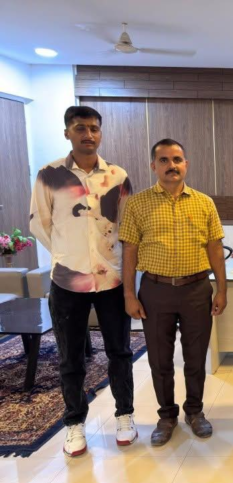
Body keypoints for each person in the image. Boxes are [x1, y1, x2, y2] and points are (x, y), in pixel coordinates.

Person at [29, 105, 136, 457]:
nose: (88, 134)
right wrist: (66, 255)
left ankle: (124, 415)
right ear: (67, 133)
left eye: (93, 128)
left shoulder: (117, 176)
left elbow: (127, 226)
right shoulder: (49, 175)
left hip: (112, 279)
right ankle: (74, 422)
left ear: (100, 133)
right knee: (70, 356)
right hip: (68, 281)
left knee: (120, 351)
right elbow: (40, 223)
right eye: (80, 128)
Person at [120, 138, 227, 446]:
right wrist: (129, 294)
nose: (171, 166)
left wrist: (222, 289)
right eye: (164, 160)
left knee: (195, 357)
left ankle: (195, 411)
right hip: (156, 291)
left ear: (186, 164)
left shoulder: (204, 202)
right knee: (160, 359)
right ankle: (166, 415)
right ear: (153, 166)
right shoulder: (138, 204)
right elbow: (129, 251)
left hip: (196, 290)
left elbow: (215, 248)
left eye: (177, 159)